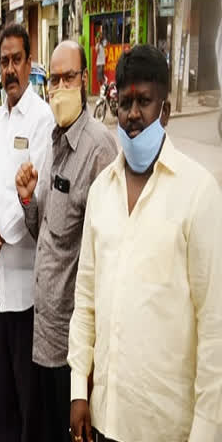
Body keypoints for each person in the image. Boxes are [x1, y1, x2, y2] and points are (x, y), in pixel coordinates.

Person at [68, 45, 222, 442]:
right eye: (125, 102)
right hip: (105, 418)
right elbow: (85, 297)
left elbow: (214, 329)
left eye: (145, 102)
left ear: (165, 112)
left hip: (167, 427)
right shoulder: (102, 191)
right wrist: (78, 392)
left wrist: (206, 430)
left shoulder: (199, 193)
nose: (133, 114)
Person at [14, 41, 117, 442]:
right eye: (52, 80)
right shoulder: (53, 143)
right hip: (42, 333)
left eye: (67, 78)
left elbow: (104, 257)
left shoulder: (99, 149)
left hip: (72, 349)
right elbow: (46, 234)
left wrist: (87, 374)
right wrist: (27, 200)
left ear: (84, 82)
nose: (58, 88)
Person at [0, 23, 54, 442]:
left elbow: (33, 193)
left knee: (27, 402)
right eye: (4, 62)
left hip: (25, 290)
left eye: (17, 59)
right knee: (2, 399)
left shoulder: (41, 119)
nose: (10, 70)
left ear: (29, 60)